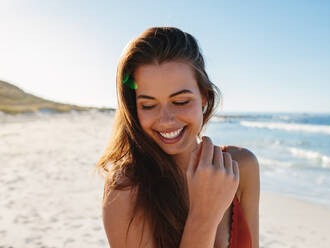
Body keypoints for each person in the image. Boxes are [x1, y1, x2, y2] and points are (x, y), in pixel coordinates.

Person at [95, 27, 260, 248]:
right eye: (149, 105)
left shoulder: (242, 167)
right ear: (134, 109)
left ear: (204, 96)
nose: (166, 120)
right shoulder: (125, 190)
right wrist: (204, 214)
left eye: (180, 101)